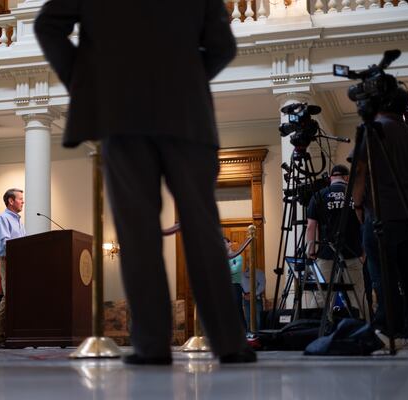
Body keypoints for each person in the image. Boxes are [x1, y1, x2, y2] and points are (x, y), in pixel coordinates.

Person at [35, 0, 254, 364]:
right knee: (202, 227)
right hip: (187, 112)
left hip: (120, 112)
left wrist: (84, 81)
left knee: (138, 234)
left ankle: (152, 344)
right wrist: (188, 78)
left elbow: (47, 25)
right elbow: (223, 47)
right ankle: (230, 342)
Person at [352, 86, 408, 348]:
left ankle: (386, 329)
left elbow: (359, 171)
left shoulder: (373, 130)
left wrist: (358, 205)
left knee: (383, 276)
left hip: (381, 212)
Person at [306, 164, 367, 319]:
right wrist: (364, 251)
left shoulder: (319, 196)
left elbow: (311, 226)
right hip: (353, 252)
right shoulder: (356, 195)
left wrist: (311, 251)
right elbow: (365, 225)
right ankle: (360, 330)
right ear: (347, 177)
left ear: (331, 178)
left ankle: (314, 330)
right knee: (356, 295)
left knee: (322, 295)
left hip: (326, 254)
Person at [0, 188, 26, 348]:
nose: (23, 201)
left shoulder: (19, 221)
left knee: (18, 298)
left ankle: (15, 335)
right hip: (8, 261)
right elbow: (4, 244)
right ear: (11, 201)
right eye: (20, 199)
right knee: (9, 297)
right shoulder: (2, 218)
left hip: (20, 262)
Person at [225, 237, 246, 330]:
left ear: (230, 244)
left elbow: (235, 269)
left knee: (238, 311)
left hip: (235, 287)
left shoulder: (238, 256)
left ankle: (244, 334)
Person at [241, 265, 265, 333]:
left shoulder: (259, 272)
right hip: (246, 299)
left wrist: (253, 294)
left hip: (256, 298)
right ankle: (250, 337)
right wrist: (244, 295)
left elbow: (262, 285)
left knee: (258, 319)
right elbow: (240, 286)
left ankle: (260, 336)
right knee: (248, 319)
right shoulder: (242, 274)